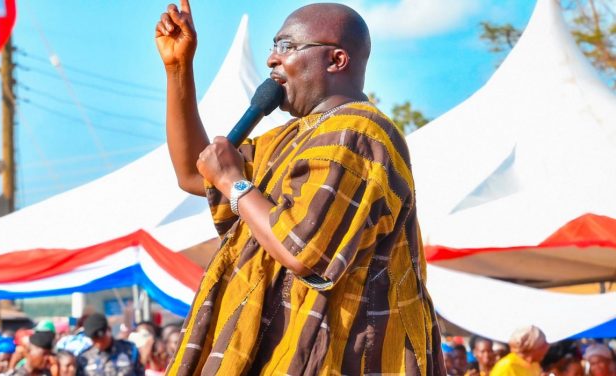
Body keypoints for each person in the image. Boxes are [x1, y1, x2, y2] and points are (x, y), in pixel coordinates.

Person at [154, 1, 445, 374]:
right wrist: (178, 69)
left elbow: (303, 250)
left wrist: (234, 182)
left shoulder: (358, 132)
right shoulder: (291, 137)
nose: (273, 60)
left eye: (287, 47)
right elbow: (194, 174)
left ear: (336, 60)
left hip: (342, 359)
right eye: (273, 47)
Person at [76, 313, 143, 376]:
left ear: (109, 330)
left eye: (101, 339)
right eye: (95, 340)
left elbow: (140, 373)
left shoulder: (129, 350)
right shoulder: (84, 357)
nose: (99, 343)